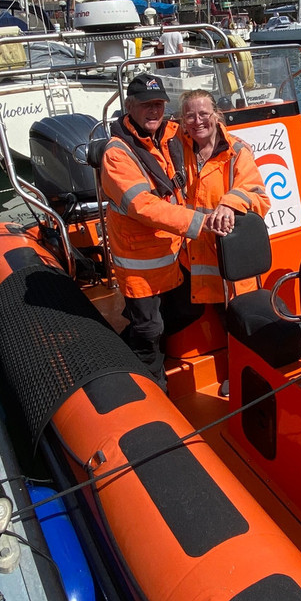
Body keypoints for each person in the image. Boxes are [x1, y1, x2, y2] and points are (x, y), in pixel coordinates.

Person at [99, 74, 207, 386]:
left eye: (158, 104)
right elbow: (142, 205)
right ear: (129, 106)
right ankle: (153, 388)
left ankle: (124, 342)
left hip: (175, 252)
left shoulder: (173, 135)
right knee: (149, 332)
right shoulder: (117, 153)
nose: (154, 111)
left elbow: (212, 137)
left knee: (192, 309)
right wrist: (199, 221)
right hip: (141, 261)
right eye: (146, 105)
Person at [176, 89, 270, 306]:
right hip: (191, 261)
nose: (197, 121)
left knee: (235, 322)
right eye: (190, 116)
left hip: (228, 262)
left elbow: (259, 198)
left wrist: (230, 204)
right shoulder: (181, 148)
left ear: (216, 116)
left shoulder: (237, 152)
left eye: (204, 114)